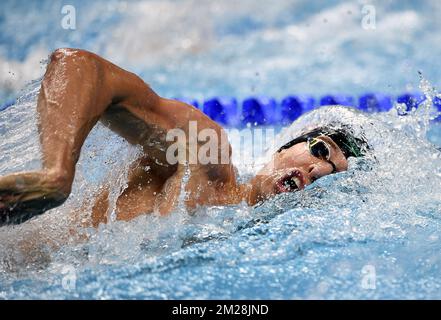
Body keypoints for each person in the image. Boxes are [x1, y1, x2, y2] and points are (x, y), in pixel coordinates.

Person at [0, 49, 367, 227]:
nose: (318, 170)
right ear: (286, 146)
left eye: (331, 175)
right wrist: (57, 174)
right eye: (320, 151)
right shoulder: (205, 156)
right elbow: (78, 65)